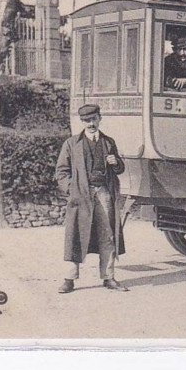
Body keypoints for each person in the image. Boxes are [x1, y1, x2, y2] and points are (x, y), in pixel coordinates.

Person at [54, 104, 128, 294]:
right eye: (87, 120)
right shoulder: (71, 143)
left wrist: (116, 163)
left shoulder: (108, 142)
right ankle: (69, 279)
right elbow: (61, 172)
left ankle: (108, 277)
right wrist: (72, 190)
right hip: (81, 195)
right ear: (82, 122)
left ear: (99, 118)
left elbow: (119, 169)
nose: (91, 123)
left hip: (104, 192)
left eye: (94, 119)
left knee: (108, 234)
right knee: (75, 235)